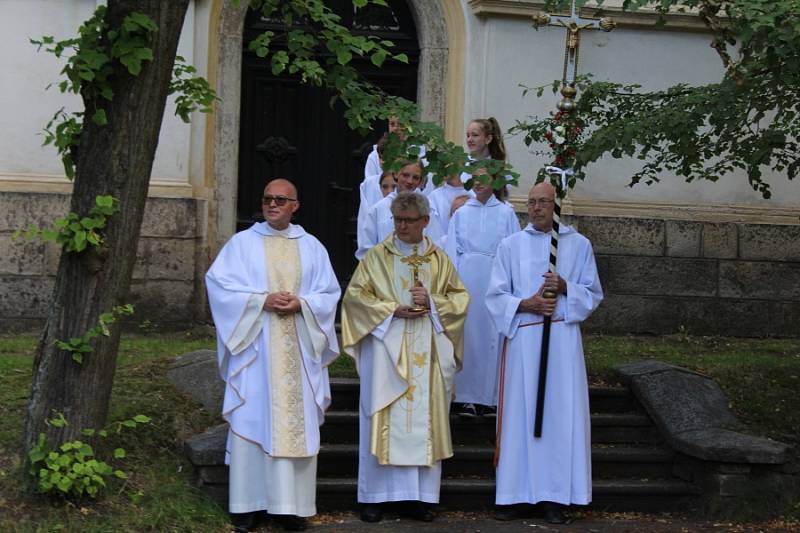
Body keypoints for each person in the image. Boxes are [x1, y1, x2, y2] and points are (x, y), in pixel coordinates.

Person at [206, 179, 341, 532]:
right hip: (257, 349)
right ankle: (247, 507)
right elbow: (219, 286)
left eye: (280, 199)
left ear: (295, 205)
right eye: (267, 199)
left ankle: (290, 509)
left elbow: (329, 294)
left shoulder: (312, 247)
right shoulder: (242, 244)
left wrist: (303, 304)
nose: (272, 204)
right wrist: (259, 301)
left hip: (298, 346)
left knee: (294, 426)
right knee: (253, 420)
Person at [341, 192, 470, 524]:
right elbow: (354, 298)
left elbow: (460, 299)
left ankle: (418, 498)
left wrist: (432, 302)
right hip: (386, 352)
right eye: (397, 220)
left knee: (421, 421)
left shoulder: (439, 260)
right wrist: (390, 310)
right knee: (381, 415)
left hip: (426, 351)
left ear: (425, 222)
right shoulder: (376, 258)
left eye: (408, 221)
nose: (401, 226)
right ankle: (375, 497)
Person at [485, 181, 603, 524]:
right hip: (523, 338)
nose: (536, 208)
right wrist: (526, 303)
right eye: (531, 202)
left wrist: (565, 288)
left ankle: (555, 496)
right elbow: (494, 295)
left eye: (543, 202)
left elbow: (592, 294)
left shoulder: (578, 246)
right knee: (520, 418)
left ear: (556, 205)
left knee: (558, 418)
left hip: (562, 341)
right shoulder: (510, 246)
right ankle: (514, 495)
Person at [445, 174, 520, 418]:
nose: (478, 184)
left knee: (491, 335)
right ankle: (464, 395)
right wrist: (452, 284)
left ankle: (490, 397)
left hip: (494, 276)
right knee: (468, 334)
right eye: (475, 179)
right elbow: (451, 250)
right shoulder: (462, 213)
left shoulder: (506, 213)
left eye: (484, 179)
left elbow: (513, 248)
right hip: (467, 277)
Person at [355, 159, 444, 260]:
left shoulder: (427, 209)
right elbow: (366, 249)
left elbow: (436, 244)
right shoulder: (379, 209)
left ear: (420, 181)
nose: (410, 181)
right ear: (396, 174)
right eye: (405, 175)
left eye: (415, 177)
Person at [462, 117, 511, 203]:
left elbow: (505, 197)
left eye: (475, 135)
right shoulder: (463, 164)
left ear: (488, 139)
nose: (469, 140)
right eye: (468, 135)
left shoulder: (501, 167)